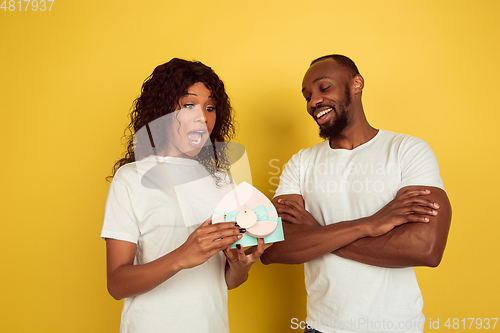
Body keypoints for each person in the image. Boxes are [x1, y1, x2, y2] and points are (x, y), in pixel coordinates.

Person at [261, 54, 451, 333]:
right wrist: (368, 225)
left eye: (324, 88)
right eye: (307, 96)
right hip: (321, 327)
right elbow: (272, 247)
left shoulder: (407, 150)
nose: (313, 102)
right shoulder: (300, 163)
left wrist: (317, 232)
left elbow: (425, 248)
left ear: (356, 84)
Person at [101, 58, 269, 333]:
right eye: (189, 105)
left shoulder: (223, 182)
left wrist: (240, 267)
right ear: (163, 111)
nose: (202, 117)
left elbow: (225, 280)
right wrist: (183, 255)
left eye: (210, 107)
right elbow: (117, 284)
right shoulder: (131, 178)